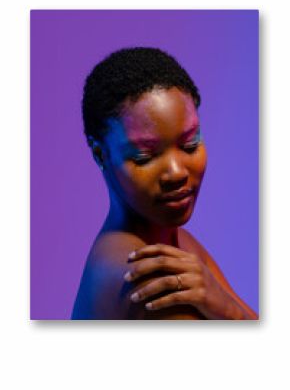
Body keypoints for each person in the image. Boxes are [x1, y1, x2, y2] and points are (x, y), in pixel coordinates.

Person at [71, 47, 258, 320]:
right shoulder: (147, 275)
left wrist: (227, 309)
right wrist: (230, 312)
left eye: (190, 144)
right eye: (145, 156)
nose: (176, 172)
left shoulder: (175, 241)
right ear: (101, 154)